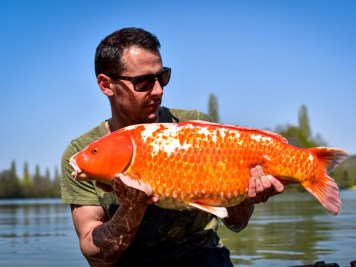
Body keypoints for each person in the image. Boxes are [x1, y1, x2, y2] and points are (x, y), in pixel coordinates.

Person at [61, 27, 285, 267]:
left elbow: (236, 223)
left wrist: (246, 198)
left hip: (204, 258)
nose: (158, 91)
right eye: (143, 82)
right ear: (106, 85)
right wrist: (131, 207)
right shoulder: (82, 153)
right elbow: (97, 257)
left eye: (162, 77)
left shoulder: (196, 130)